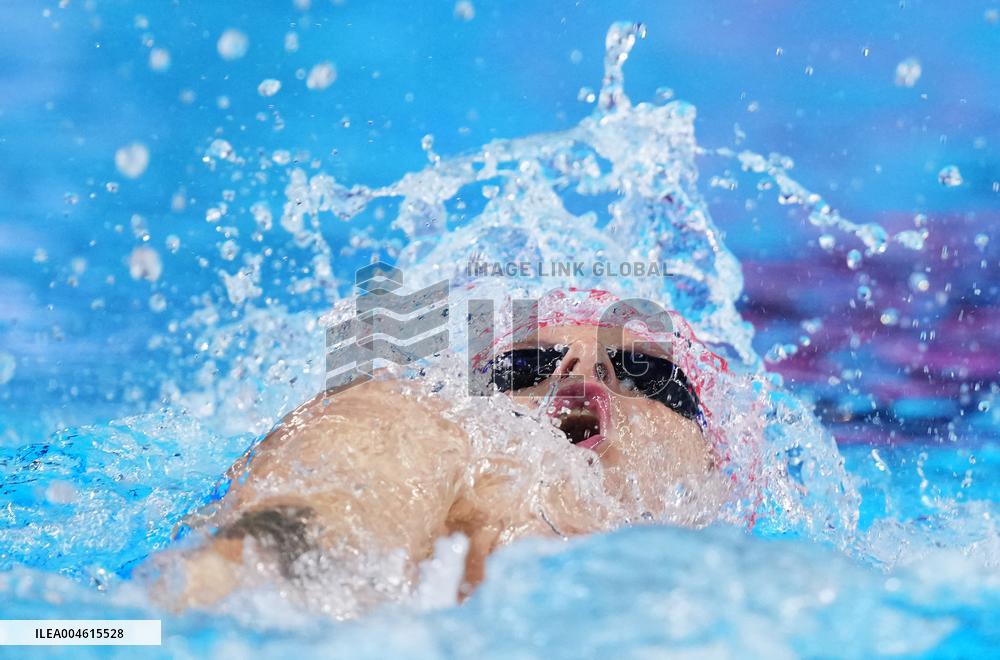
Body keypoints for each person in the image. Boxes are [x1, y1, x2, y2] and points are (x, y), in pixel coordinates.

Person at [150, 288, 728, 613]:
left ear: (713, 466)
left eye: (643, 372)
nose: (585, 370)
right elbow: (258, 569)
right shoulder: (425, 428)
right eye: (527, 366)